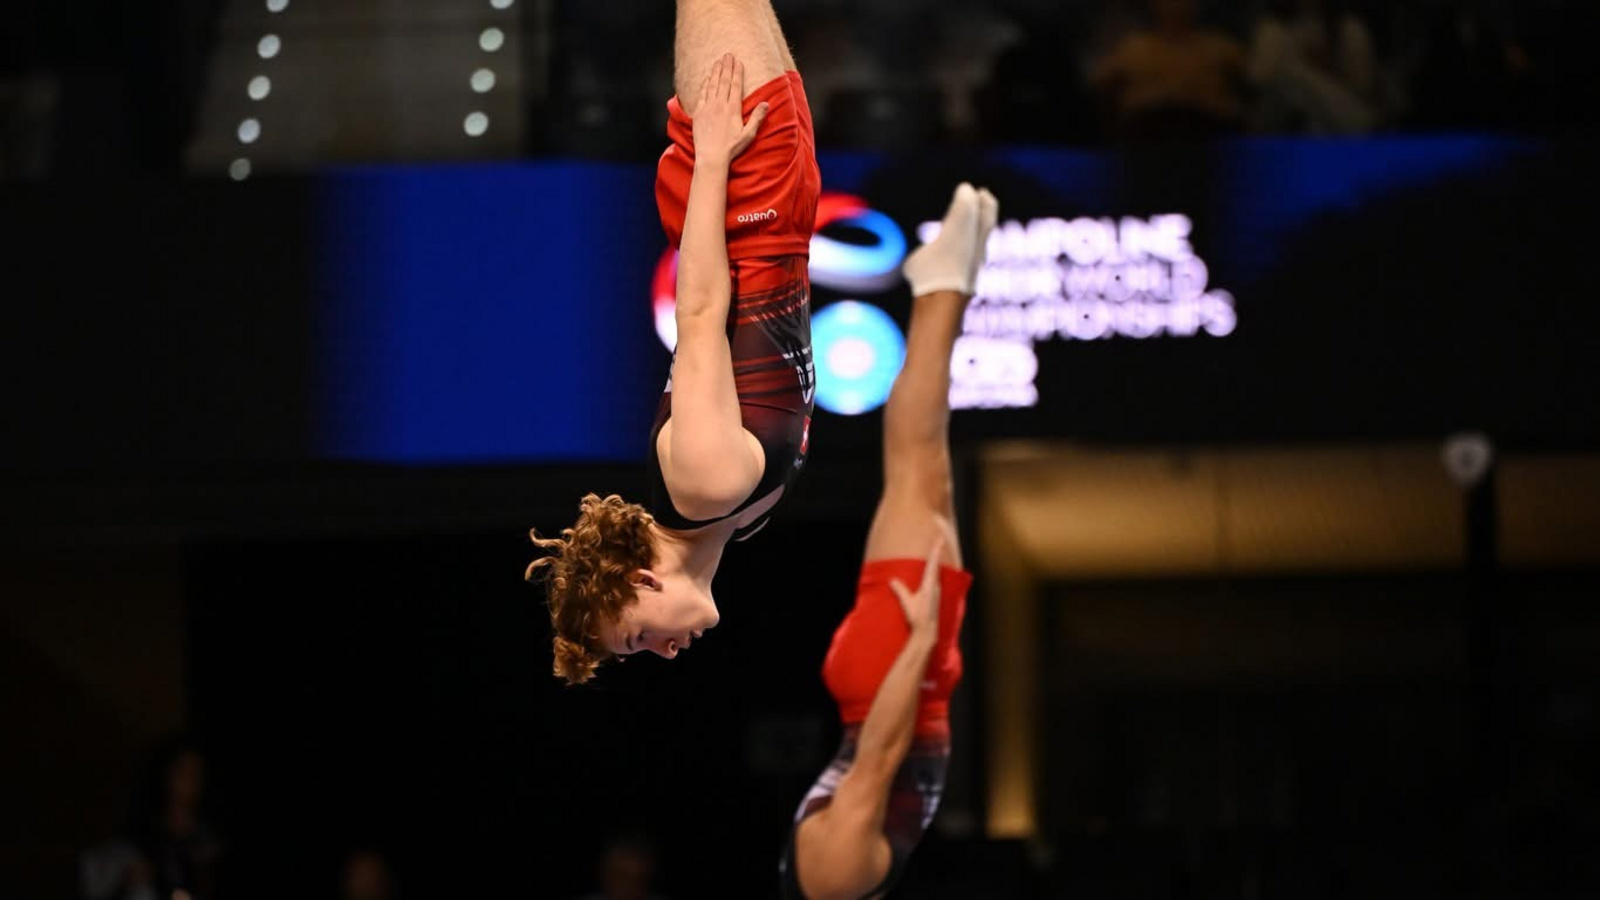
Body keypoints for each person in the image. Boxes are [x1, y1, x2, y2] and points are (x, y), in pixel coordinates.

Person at [528, 1, 822, 686]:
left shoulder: (703, 487)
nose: (662, 652)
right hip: (773, 209)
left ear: (639, 581)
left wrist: (715, 157)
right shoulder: (737, 522)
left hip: (746, 196)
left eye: (634, 638)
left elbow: (698, 312)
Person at [779, 182, 998, 900]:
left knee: (913, 465)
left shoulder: (832, 881)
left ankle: (939, 284)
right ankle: (949, 285)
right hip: (906, 678)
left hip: (893, 674)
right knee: (927, 472)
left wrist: (919, 641)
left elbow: (877, 757)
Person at [1090, 0, 1249, 139]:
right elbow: (1101, 86)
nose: (1177, 6)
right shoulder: (1133, 49)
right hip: (1143, 144)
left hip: (1212, 143)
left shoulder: (1220, 48)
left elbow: (1250, 87)